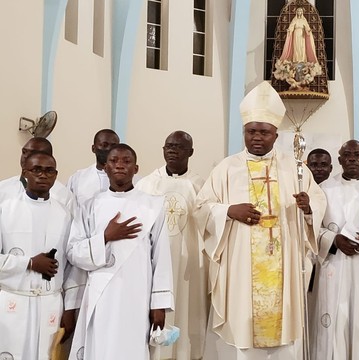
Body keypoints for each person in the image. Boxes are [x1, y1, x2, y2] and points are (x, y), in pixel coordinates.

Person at [195, 81, 326, 359]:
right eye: (251, 131)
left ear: (275, 135)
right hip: (242, 266)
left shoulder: (295, 168)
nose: (257, 137)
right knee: (243, 338)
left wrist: (308, 208)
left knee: (285, 343)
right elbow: (202, 208)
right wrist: (229, 211)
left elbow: (317, 201)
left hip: (283, 263)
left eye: (263, 132)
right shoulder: (226, 168)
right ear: (243, 132)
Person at [67, 144, 174, 359]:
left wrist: (159, 305)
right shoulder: (89, 206)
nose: (120, 165)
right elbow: (73, 251)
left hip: (137, 294)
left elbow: (161, 258)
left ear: (136, 168)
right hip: (101, 294)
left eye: (126, 161)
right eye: (114, 161)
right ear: (105, 167)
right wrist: (105, 237)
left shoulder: (152, 205)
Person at [309, 140, 359, 360]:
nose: (352, 159)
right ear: (340, 160)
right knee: (333, 318)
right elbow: (312, 227)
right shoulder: (323, 190)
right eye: (347, 155)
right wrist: (333, 239)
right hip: (334, 264)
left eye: (357, 155)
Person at [0, 152, 79, 359]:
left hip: (50, 303)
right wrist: (29, 263)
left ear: (56, 175)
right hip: (13, 302)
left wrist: (70, 308)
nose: (43, 175)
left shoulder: (65, 215)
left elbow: (73, 266)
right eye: (36, 170)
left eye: (49, 171)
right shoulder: (5, 210)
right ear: (25, 172)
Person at [136, 131, 207, 360]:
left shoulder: (201, 186)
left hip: (188, 266)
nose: (173, 150)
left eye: (179, 147)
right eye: (169, 146)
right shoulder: (147, 184)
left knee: (187, 311)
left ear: (191, 152)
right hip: (155, 264)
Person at [0, 137, 75, 213]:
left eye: (33, 153)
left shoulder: (63, 196)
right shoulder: (3, 188)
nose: (25, 156)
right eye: (24, 152)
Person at [67, 129, 120, 207]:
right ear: (93, 148)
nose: (109, 149)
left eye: (114, 146)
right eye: (104, 145)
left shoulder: (132, 179)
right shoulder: (78, 178)